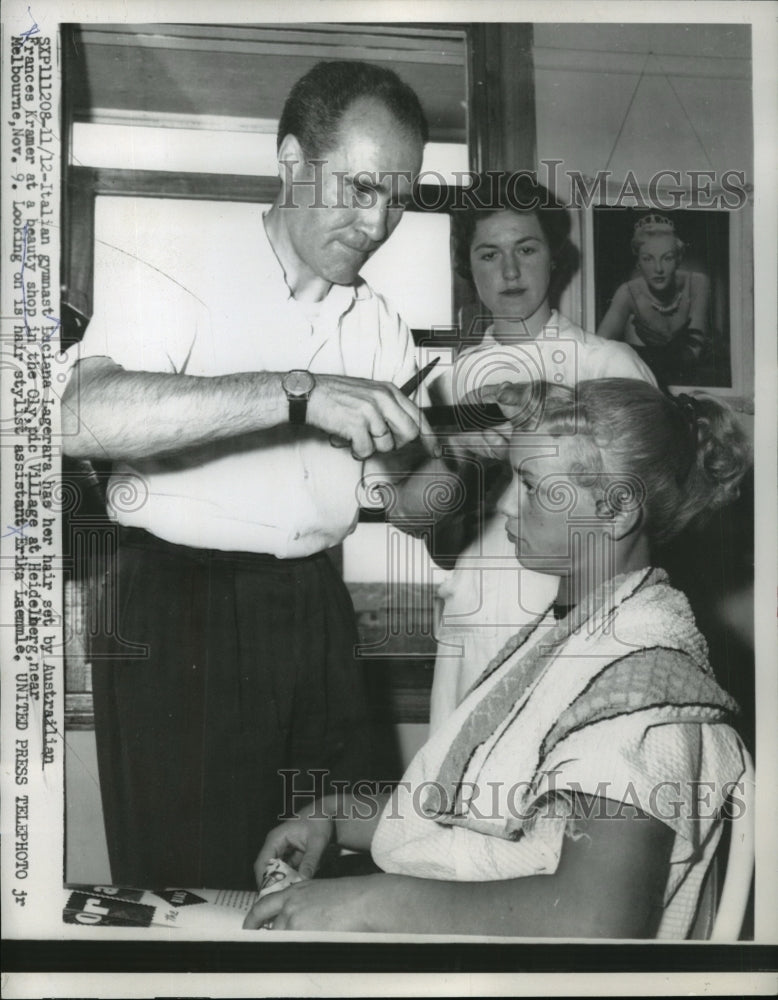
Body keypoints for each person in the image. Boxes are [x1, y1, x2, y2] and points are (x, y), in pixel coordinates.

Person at [61, 60, 436, 890]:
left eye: (399, 198)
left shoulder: (378, 324)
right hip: (174, 605)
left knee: (326, 867)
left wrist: (468, 464)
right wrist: (298, 395)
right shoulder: (179, 261)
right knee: (196, 879)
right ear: (294, 163)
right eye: (361, 187)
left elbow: (412, 507)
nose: (378, 222)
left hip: (313, 607)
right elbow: (78, 416)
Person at [243, 377, 750, 938]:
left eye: (532, 486)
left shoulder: (642, 685)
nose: (509, 505)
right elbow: (488, 815)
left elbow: (595, 919)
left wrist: (368, 901)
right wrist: (335, 816)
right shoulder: (564, 637)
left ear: (617, 510)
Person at [424, 175, 657, 731]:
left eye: (526, 249)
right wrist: (462, 468)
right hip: (476, 618)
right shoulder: (444, 386)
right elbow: (439, 544)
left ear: (555, 258)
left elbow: (651, 523)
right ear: (468, 268)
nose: (509, 272)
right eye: (489, 254)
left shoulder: (609, 365)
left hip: (577, 625)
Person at [596, 213, 711, 385]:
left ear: (679, 259)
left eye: (667, 258)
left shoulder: (697, 284)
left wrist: (641, 354)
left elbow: (693, 354)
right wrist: (668, 353)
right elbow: (598, 351)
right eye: (648, 259)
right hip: (645, 384)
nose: (658, 269)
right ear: (638, 262)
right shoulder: (628, 292)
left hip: (691, 385)